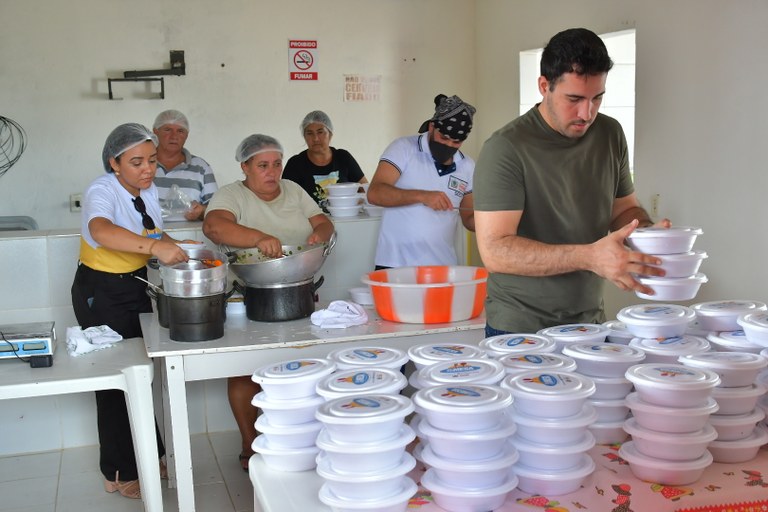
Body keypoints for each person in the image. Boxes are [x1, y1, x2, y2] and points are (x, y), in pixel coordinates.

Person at [473, 28, 670, 336]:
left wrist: (645, 234)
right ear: (544, 86)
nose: (587, 112)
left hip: (589, 321)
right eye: (574, 98)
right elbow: (496, 251)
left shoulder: (610, 134)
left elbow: (623, 210)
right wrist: (591, 256)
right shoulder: (506, 148)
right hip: (520, 327)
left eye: (597, 98)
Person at [71, 123, 191, 499]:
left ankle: (149, 454)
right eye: (136, 162)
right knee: (116, 381)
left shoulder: (146, 190)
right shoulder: (102, 189)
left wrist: (182, 249)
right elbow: (102, 230)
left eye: (152, 161)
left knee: (140, 376)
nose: (147, 169)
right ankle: (118, 471)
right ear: (114, 163)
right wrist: (157, 251)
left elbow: (151, 231)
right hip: (100, 292)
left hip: (132, 286)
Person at [202, 134, 334, 470]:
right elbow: (214, 226)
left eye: (276, 163)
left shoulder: (293, 189)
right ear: (245, 167)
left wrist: (322, 232)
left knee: (302, 365)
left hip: (298, 288)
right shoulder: (232, 194)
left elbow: (321, 220)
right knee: (245, 371)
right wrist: (259, 238)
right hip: (247, 294)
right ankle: (250, 446)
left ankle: (297, 441)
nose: (272, 171)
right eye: (262, 165)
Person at [367, 94, 476, 269]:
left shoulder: (467, 166)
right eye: (444, 138)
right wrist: (422, 196)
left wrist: (499, 220)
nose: (449, 145)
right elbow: (375, 193)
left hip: (442, 268)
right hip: (395, 265)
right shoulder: (403, 149)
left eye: (456, 142)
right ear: (432, 126)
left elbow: (469, 217)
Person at [282, 110, 367, 204]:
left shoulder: (343, 157)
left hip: (345, 217)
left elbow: (365, 189)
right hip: (308, 218)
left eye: (320, 132)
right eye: (309, 133)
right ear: (304, 136)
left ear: (330, 134)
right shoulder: (295, 164)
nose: (315, 138)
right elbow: (287, 201)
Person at [152, 109, 218, 220]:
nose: (174, 136)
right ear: (155, 132)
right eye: (167, 130)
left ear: (187, 135)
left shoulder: (201, 167)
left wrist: (201, 211)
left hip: (190, 235)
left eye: (180, 131)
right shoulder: (142, 164)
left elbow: (217, 210)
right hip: (145, 236)